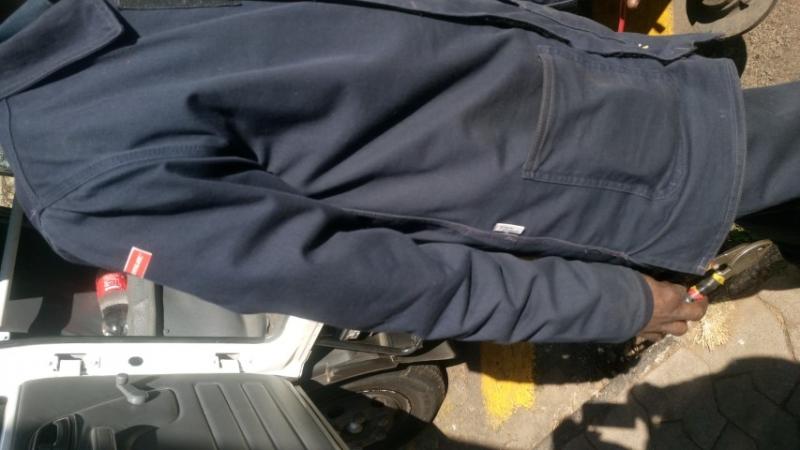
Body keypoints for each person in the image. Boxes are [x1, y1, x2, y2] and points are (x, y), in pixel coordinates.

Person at [0, 0, 796, 343]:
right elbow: (386, 282)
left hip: (587, 66)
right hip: (611, 163)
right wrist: (615, 305)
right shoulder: (83, 176)